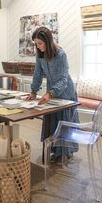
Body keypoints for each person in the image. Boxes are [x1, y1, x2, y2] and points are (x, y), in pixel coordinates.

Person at [26, 26, 79, 161]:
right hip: (51, 91)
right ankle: (55, 151)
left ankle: (66, 153)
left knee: (63, 122)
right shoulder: (40, 55)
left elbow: (63, 79)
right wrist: (33, 91)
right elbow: (37, 74)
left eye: (40, 43)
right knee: (52, 120)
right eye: (36, 44)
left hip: (65, 92)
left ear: (48, 42)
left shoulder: (60, 54)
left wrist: (50, 93)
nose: (37, 47)